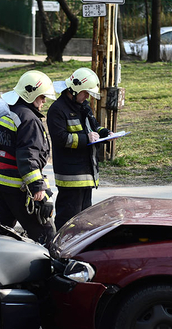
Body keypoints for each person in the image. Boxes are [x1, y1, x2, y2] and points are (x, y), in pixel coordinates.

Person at [0, 70, 57, 245]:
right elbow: (28, 156)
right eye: (42, 97)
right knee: (45, 234)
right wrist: (37, 187)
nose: (44, 101)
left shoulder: (6, 113)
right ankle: (52, 269)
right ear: (31, 94)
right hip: (20, 187)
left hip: (1, 183)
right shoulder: (29, 120)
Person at [47, 67, 111, 230]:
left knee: (84, 220)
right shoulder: (57, 109)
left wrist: (105, 133)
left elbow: (93, 126)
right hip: (70, 176)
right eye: (85, 92)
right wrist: (85, 139)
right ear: (74, 89)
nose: (87, 96)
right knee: (67, 221)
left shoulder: (83, 106)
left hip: (86, 174)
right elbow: (61, 139)